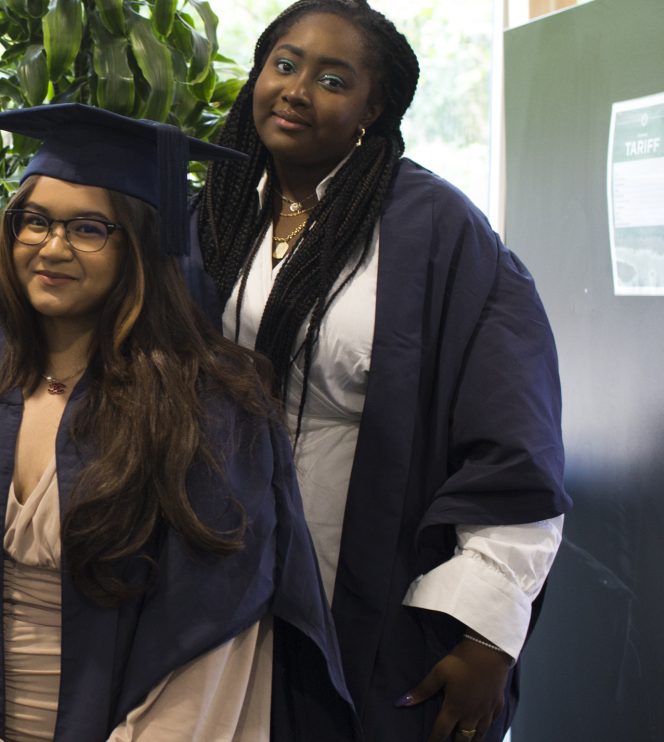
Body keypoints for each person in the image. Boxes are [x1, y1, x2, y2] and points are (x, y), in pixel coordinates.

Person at [0, 102, 358, 741]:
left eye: (88, 229)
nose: (52, 248)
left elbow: (213, 618)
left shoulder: (211, 410)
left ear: (139, 245)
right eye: (34, 222)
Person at [191, 2, 569, 741]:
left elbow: (514, 434)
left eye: (333, 79)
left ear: (374, 109)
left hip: (371, 575)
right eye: (284, 64)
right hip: (222, 571)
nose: (297, 89)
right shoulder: (220, 212)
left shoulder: (435, 229)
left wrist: (488, 631)